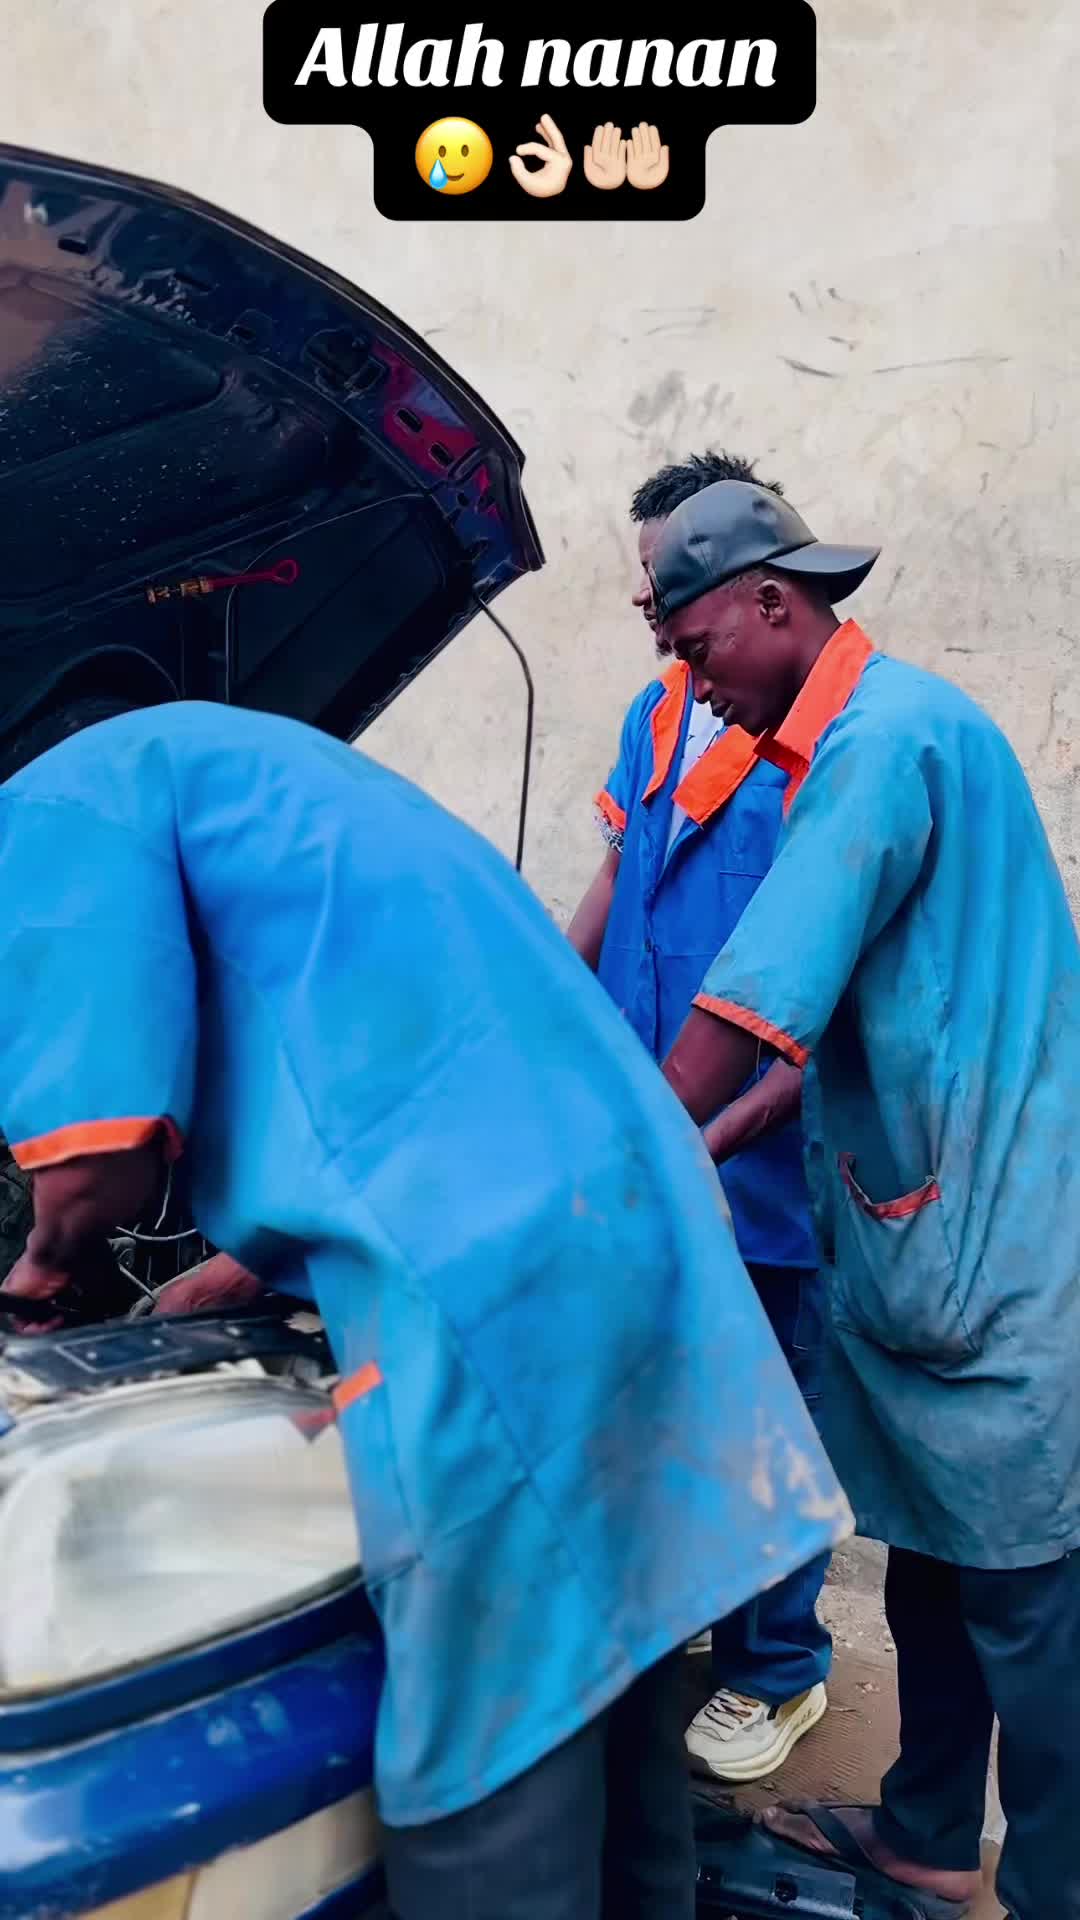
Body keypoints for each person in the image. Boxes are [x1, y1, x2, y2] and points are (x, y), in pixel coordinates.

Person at [0, 699, 850, 1920]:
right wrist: (247, 1265)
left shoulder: (49, 818)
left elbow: (96, 1161)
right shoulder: (229, 766)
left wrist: (40, 1276)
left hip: (496, 1277)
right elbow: (379, 1062)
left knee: (494, 1734)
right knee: (622, 1663)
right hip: (624, 1207)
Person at [649, 477, 1080, 1920]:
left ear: (775, 603)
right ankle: (928, 1832)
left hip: (990, 1238)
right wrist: (706, 1144)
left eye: (696, 647)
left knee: (1027, 1594)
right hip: (933, 1226)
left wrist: (624, 1147)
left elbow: (754, 998)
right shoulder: (871, 735)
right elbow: (824, 1032)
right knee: (934, 1563)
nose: (692, 686)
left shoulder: (880, 741)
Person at [568, 450, 834, 1785]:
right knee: (657, 1387)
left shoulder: (823, 733)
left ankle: (778, 1667)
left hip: (766, 1140)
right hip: (649, 1108)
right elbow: (620, 869)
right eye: (644, 579)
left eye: (670, 576)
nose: (652, 601)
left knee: (764, 1400)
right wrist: (547, 1004)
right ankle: (676, 1607)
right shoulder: (659, 710)